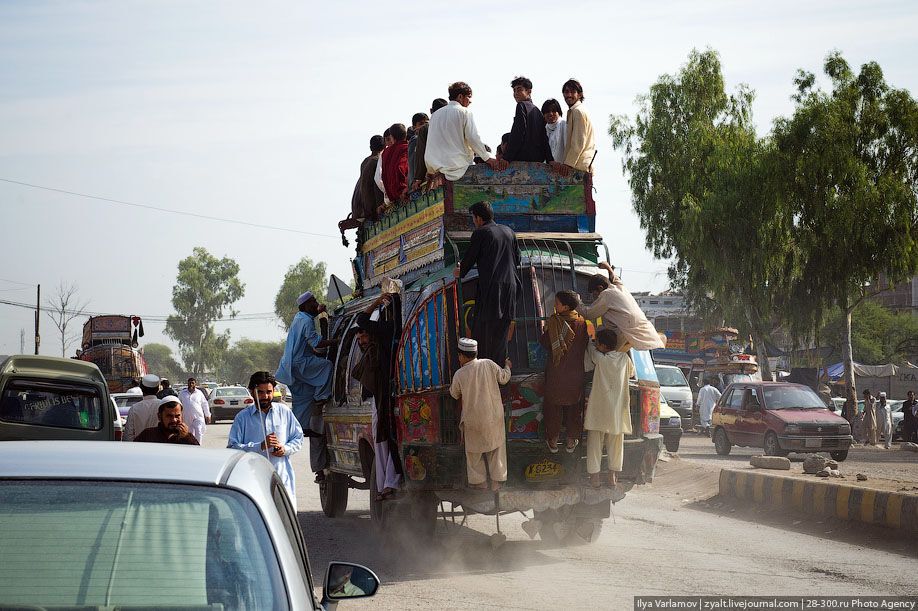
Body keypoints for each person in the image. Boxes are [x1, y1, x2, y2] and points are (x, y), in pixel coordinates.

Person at [275, 291, 337, 482]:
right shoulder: (306, 321)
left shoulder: (299, 319)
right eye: (313, 302)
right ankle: (321, 397)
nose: (316, 303)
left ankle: (301, 428)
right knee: (327, 366)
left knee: (303, 403)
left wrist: (322, 318)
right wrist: (337, 341)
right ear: (305, 305)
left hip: (292, 368)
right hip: (301, 363)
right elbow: (317, 343)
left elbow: (316, 347)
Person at [455, 201, 523, 365]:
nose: (474, 221)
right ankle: (498, 373)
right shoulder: (509, 231)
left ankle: (484, 373)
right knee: (501, 337)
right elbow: (518, 258)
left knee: (483, 335)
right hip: (511, 288)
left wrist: (459, 272)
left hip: (492, 289)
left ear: (478, 218)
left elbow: (469, 259)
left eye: (473, 218)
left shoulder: (481, 233)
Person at [228, 371, 305, 509]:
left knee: (284, 518)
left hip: (281, 479)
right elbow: (232, 448)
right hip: (253, 481)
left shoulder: (284, 412)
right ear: (251, 392)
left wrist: (285, 449)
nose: (265, 396)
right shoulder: (242, 418)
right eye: (260, 392)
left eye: (268, 392)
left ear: (273, 391)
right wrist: (260, 446)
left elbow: (298, 437)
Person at [352, 293, 402, 500]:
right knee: (385, 440)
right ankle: (386, 484)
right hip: (386, 395)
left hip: (384, 396)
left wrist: (377, 301)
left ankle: (387, 484)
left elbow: (362, 319)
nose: (362, 340)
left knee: (384, 440)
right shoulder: (393, 332)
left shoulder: (386, 331)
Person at [449, 338, 512, 490]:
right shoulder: (488, 363)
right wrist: (507, 366)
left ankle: (480, 483)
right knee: (497, 448)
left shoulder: (459, 374)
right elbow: (504, 378)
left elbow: (454, 394)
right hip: (493, 417)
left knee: (473, 453)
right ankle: (496, 482)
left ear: (462, 356)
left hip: (473, 421)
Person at [539, 290, 590, 453]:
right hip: (575, 374)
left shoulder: (555, 321)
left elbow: (545, 342)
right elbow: (585, 343)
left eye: (557, 303)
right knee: (574, 407)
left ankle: (553, 440)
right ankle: (571, 440)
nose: (554, 305)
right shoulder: (581, 323)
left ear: (566, 307)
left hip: (556, 372)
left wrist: (547, 329)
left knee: (553, 407)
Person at [583, 328, 635, 488]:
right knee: (616, 444)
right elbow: (631, 373)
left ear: (603, 346)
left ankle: (595, 478)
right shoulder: (625, 358)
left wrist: (588, 340)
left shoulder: (600, 358)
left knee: (594, 444)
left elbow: (590, 348)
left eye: (598, 342)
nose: (596, 345)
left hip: (599, 409)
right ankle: (612, 476)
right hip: (617, 410)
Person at [425, 81, 507, 181]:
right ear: (460, 97)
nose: (470, 101)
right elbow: (472, 138)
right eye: (468, 97)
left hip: (434, 167)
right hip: (456, 168)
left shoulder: (435, 115)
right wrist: (487, 158)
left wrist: (430, 170)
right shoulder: (464, 112)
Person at [578, 261, 665, 352]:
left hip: (623, 331)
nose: (595, 297)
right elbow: (615, 278)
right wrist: (608, 268)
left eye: (595, 294)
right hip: (640, 329)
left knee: (604, 354)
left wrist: (576, 301)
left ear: (600, 288)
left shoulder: (607, 294)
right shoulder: (619, 287)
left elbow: (588, 314)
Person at [550, 78, 596, 176]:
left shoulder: (577, 111)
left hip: (578, 166)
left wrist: (568, 164)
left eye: (572, 92)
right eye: (566, 92)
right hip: (579, 164)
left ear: (579, 95)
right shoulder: (575, 111)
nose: (569, 95)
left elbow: (578, 142)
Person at [502, 76, 552, 163]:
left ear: (529, 91)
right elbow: (544, 138)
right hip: (537, 160)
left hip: (522, 159)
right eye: (514, 90)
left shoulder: (521, 105)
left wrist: (507, 158)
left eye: (519, 89)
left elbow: (518, 132)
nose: (516, 93)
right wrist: (550, 159)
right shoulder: (538, 111)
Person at [412, 98, 448, 190]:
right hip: (455, 171)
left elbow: (421, 153)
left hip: (435, 175)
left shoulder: (425, 129)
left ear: (431, 111)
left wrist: (418, 178)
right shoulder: (452, 124)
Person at [134, 396, 200, 445]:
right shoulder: (148, 435)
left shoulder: (187, 437)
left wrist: (186, 437)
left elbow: (197, 454)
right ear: (159, 416)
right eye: (169, 416)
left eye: (177, 416)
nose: (174, 420)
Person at [351, 135, 385, 222]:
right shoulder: (378, 161)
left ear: (370, 148)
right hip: (370, 208)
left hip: (359, 208)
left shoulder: (365, 161)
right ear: (384, 146)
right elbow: (377, 185)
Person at [122, 373, 161, 442]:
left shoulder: (134, 408)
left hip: (139, 446)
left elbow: (128, 436)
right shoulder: (163, 406)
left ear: (141, 388)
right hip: (160, 446)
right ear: (158, 389)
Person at [381, 123, 409, 203]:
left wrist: (391, 197)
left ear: (392, 137)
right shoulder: (405, 148)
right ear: (405, 135)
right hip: (403, 194)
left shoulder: (385, 152)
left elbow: (383, 176)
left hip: (392, 197)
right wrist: (402, 190)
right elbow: (400, 167)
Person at [179, 377, 211, 443]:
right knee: (190, 433)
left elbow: (204, 404)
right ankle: (192, 445)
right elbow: (178, 404)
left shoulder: (199, 393)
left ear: (195, 384)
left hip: (198, 416)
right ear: (187, 384)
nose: (191, 384)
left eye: (192, 383)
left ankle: (198, 445)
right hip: (186, 416)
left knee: (198, 430)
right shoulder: (182, 393)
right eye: (189, 383)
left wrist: (207, 415)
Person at [406, 112, 429, 189]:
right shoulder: (415, 140)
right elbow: (413, 162)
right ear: (414, 127)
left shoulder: (426, 138)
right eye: (421, 124)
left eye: (426, 123)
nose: (424, 126)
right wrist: (416, 179)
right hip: (417, 184)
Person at [542, 98, 567, 163]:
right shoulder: (544, 129)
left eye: (554, 111)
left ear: (559, 112)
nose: (551, 114)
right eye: (547, 112)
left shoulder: (564, 125)